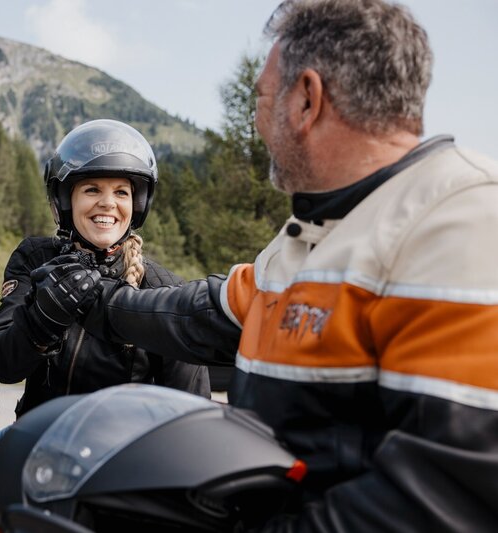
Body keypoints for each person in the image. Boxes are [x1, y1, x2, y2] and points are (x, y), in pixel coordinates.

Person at [66, 0, 498, 530]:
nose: (257, 121)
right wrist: (105, 304)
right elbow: (206, 313)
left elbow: (442, 500)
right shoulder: (319, 231)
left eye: (264, 98)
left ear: (307, 100)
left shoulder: (463, 225)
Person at [0, 119, 210, 527]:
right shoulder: (36, 259)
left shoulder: (163, 291)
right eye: (92, 189)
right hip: (34, 444)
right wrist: (41, 320)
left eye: (121, 192)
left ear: (137, 203)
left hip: (109, 473)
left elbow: (192, 418)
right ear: (65, 200)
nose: (108, 203)